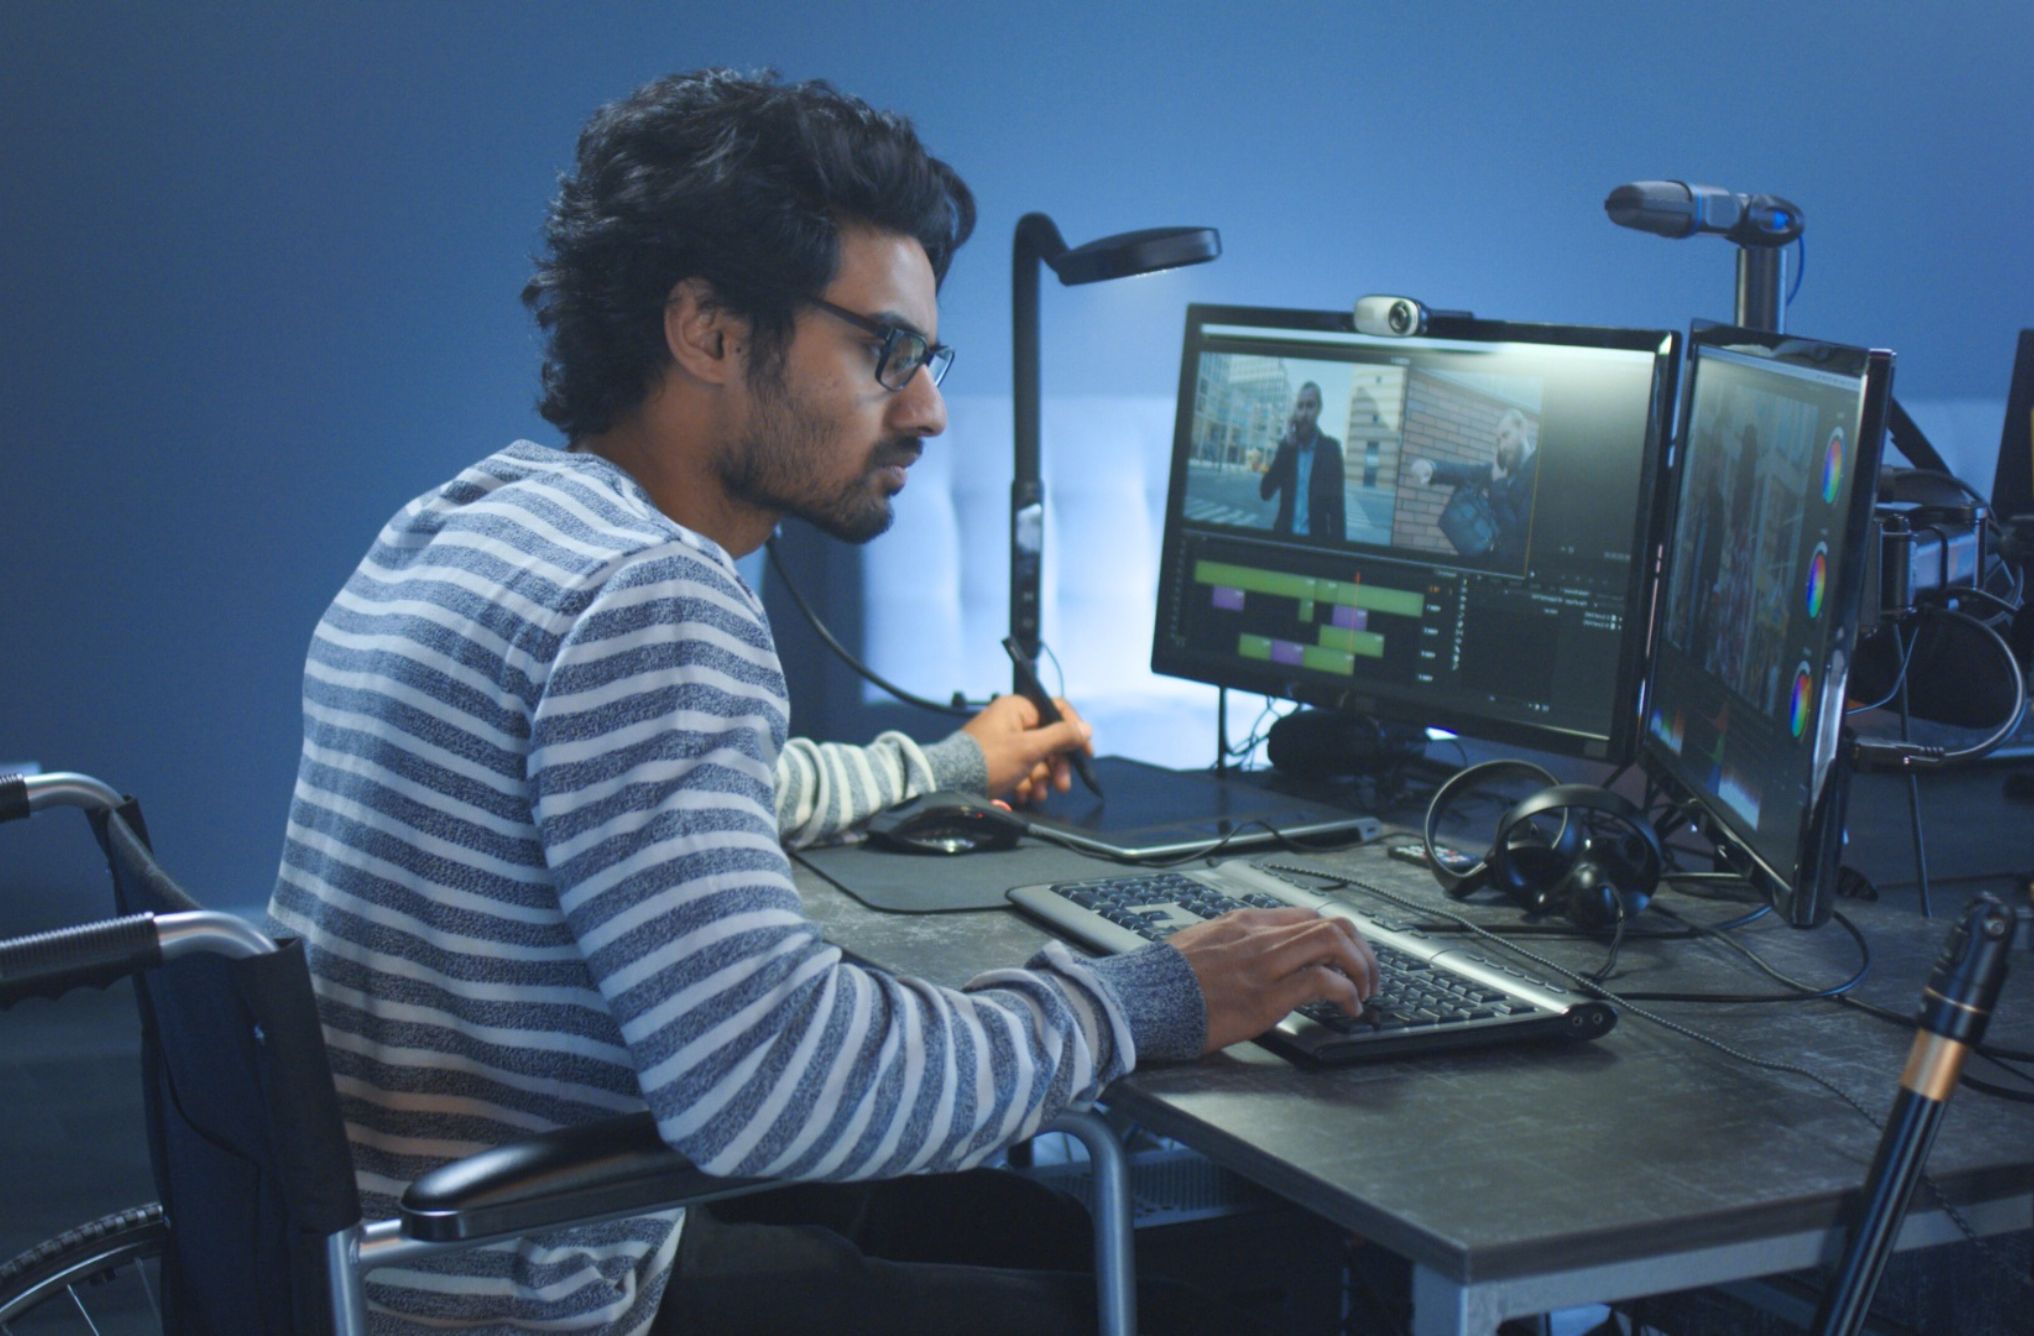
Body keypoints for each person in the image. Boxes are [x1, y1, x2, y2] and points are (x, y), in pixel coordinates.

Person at [268, 69, 1378, 1335]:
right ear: (711, 332)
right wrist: (1149, 997)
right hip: (526, 1300)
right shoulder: (652, 598)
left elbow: (685, 791)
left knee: (1036, 1229)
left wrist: (948, 765)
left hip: (386, 1270)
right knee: (1217, 1313)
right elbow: (770, 1082)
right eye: (883, 350)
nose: (928, 408)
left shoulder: (473, 524)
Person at [1406, 407, 1539, 568]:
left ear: (1523, 429)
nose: (1502, 447)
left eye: (1506, 436)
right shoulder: (1502, 472)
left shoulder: (1540, 476)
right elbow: (1466, 472)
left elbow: (1518, 538)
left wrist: (1498, 487)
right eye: (1498, 441)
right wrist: (1432, 468)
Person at [1258, 381, 1347, 540]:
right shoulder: (1287, 448)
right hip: (1283, 541)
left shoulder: (1331, 450)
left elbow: (1337, 513)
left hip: (1314, 544)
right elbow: (1265, 492)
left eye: (1310, 406)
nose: (1304, 413)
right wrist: (1287, 444)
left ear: (1319, 409)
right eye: (1300, 406)